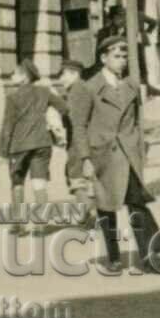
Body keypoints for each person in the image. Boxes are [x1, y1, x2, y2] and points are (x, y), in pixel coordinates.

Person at [74, 35, 160, 275]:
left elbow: (137, 121)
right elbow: (80, 126)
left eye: (125, 56)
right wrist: (85, 158)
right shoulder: (89, 87)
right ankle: (113, 256)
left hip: (128, 153)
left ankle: (150, 254)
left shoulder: (131, 86)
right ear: (104, 58)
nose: (122, 61)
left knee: (137, 201)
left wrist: (139, 148)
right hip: (103, 154)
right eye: (117, 56)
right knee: (107, 207)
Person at [0, 59, 69, 236]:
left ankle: (19, 225)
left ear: (24, 77)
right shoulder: (44, 91)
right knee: (40, 183)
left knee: (17, 183)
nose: (12, 76)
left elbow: (8, 125)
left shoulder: (13, 97)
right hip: (42, 142)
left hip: (19, 145)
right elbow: (64, 107)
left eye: (15, 73)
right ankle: (40, 226)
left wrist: (3, 149)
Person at [58, 59, 95, 222]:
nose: (61, 79)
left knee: (76, 179)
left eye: (64, 75)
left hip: (79, 143)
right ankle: (86, 213)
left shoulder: (77, 90)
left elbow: (78, 124)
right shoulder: (79, 88)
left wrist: (84, 155)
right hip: (80, 141)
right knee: (77, 178)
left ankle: (89, 212)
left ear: (74, 74)